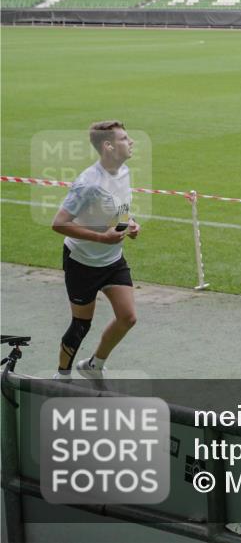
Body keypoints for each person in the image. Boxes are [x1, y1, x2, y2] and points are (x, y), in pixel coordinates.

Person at [51, 121, 140, 379]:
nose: (131, 141)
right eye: (125, 138)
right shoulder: (88, 183)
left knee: (128, 317)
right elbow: (59, 223)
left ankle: (94, 366)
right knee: (81, 324)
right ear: (108, 146)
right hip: (82, 262)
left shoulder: (123, 172)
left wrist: (130, 225)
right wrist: (102, 238)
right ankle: (62, 376)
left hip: (112, 261)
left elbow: (121, 209)